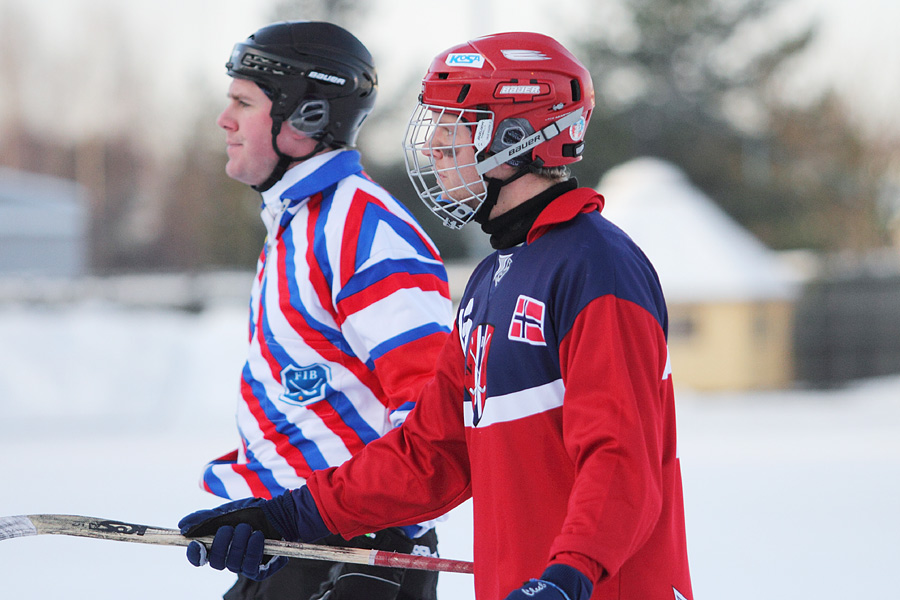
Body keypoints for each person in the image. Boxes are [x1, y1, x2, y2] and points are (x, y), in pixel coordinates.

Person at [181, 31, 693, 600]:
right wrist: (286, 517)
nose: (434, 150)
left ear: (516, 138)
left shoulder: (595, 266)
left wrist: (568, 575)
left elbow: (623, 458)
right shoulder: (489, 284)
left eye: (452, 129)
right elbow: (428, 456)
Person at [185, 20, 454, 600]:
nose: (223, 120)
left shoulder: (363, 229)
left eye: (242, 102)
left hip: (351, 560)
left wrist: (386, 550)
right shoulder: (298, 225)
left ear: (304, 118)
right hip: (293, 544)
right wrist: (259, 503)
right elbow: (311, 412)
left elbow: (434, 415)